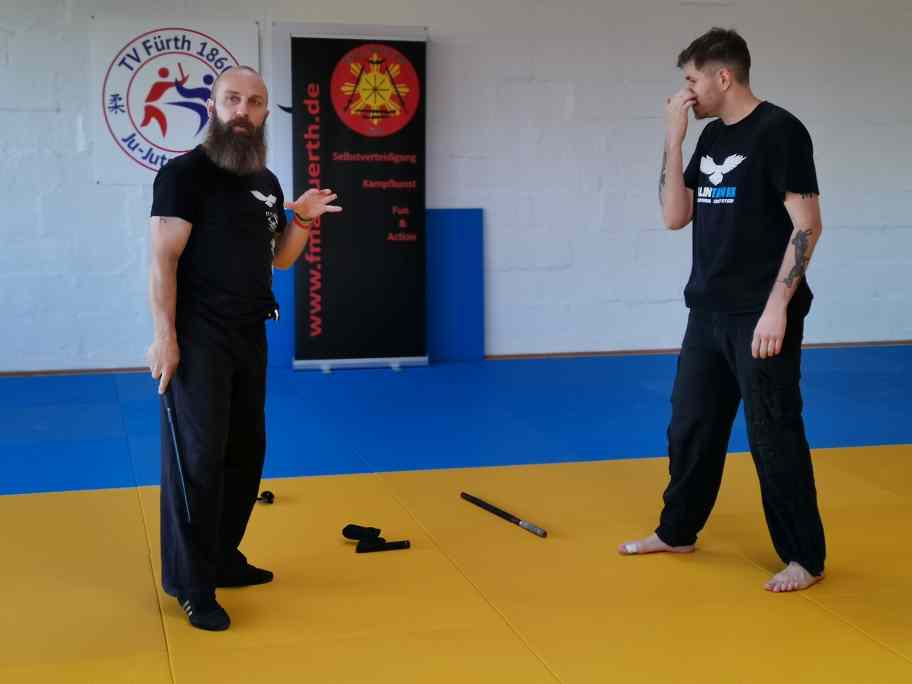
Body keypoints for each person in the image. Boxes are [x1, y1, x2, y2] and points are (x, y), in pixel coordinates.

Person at [618, 28, 826, 593]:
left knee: (772, 432)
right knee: (690, 425)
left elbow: (808, 226)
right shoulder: (709, 137)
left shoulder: (781, 131)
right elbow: (673, 216)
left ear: (723, 76)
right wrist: (673, 139)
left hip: (761, 314)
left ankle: (804, 557)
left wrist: (777, 307)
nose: (686, 91)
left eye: (692, 80)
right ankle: (677, 531)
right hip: (706, 311)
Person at [146, 65, 341, 630]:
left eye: (254, 102)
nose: (243, 111)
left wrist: (302, 218)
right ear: (213, 106)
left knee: (245, 452)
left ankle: (222, 557)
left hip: (249, 332)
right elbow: (163, 259)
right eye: (232, 99)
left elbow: (280, 258)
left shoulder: (266, 181)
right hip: (198, 335)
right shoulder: (183, 175)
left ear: (264, 113)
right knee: (199, 459)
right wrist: (165, 337)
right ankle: (192, 584)